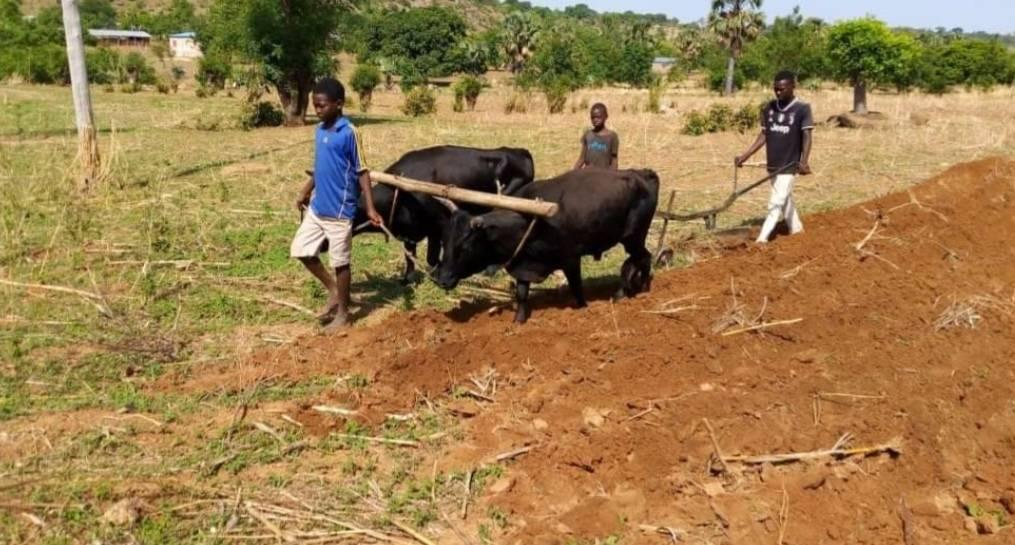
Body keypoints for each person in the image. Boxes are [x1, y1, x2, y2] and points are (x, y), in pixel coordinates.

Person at [291, 77, 382, 328]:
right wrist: (305, 191)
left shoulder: (349, 132)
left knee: (340, 262)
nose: (317, 110)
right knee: (301, 250)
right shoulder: (319, 131)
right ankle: (333, 290)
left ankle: (343, 314)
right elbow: (320, 168)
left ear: (338, 104)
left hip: (340, 211)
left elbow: (362, 170)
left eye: (321, 105)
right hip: (318, 208)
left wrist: (371, 207)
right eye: (315, 105)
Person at [735, 70, 814, 243]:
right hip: (773, 163)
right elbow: (764, 135)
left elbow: (807, 136)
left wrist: (804, 161)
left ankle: (762, 239)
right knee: (784, 198)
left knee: (776, 201)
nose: (778, 92)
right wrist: (745, 156)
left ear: (793, 87)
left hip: (790, 164)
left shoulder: (802, 109)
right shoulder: (768, 108)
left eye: (782, 89)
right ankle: (797, 228)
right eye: (776, 89)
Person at [573, 102, 619, 170]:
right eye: (593, 117)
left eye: (598, 117)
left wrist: (611, 175)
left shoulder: (612, 137)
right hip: (588, 173)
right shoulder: (588, 135)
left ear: (606, 116)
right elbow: (582, 158)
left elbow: (614, 160)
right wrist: (574, 172)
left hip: (604, 174)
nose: (595, 120)